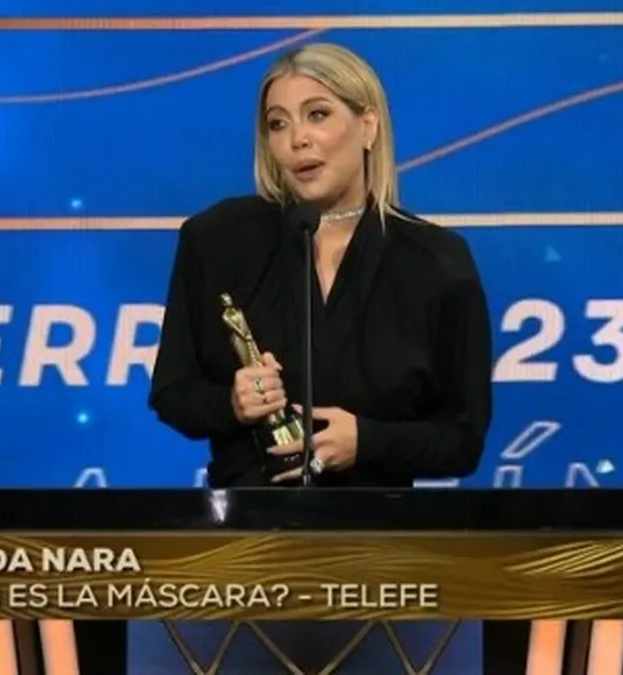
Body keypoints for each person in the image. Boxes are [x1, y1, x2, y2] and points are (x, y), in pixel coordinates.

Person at [149, 42, 493, 488]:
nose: (297, 140)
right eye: (278, 123)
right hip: (248, 523)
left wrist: (368, 442)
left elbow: (463, 441)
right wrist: (231, 404)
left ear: (368, 126)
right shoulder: (216, 240)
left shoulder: (436, 261)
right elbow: (173, 393)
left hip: (377, 526)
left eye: (317, 114)